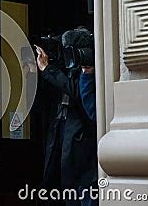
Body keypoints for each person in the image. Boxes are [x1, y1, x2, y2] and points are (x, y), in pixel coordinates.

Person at [35, 28, 98, 206]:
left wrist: (47, 70)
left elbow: (75, 90)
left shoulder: (89, 68)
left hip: (81, 139)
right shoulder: (67, 67)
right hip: (62, 134)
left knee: (84, 189)